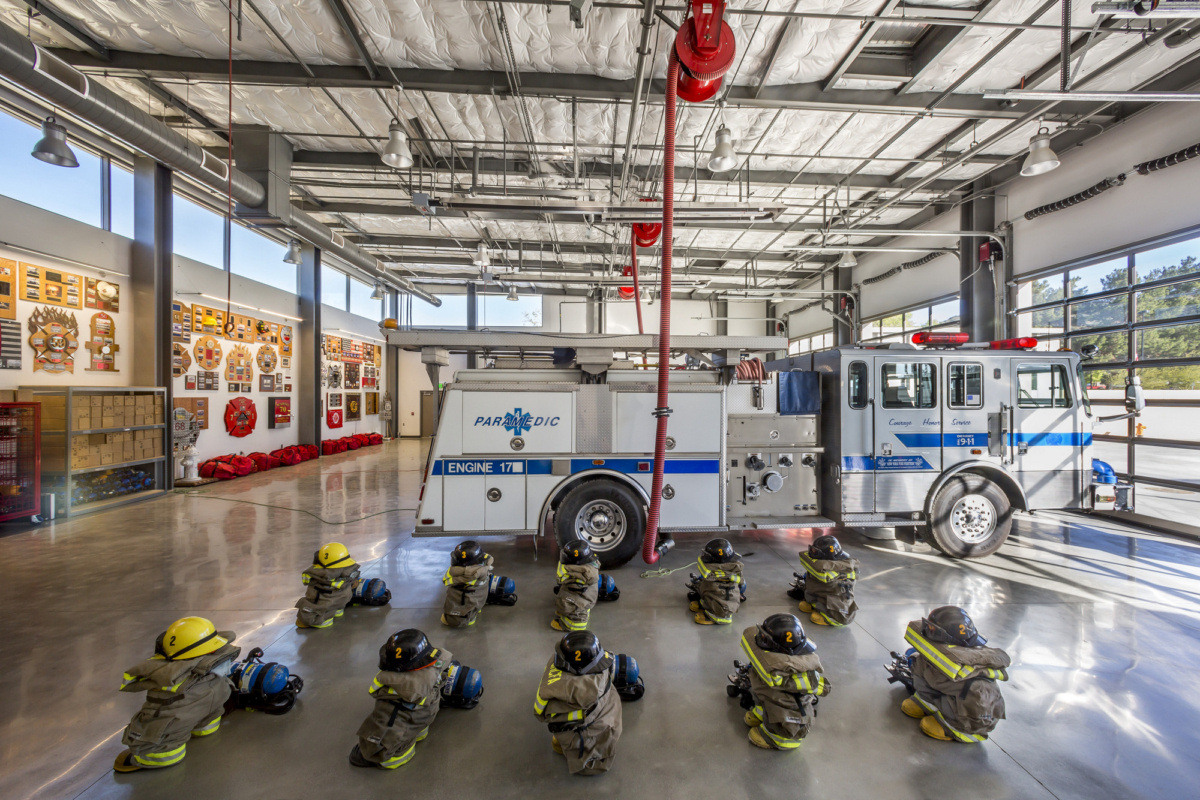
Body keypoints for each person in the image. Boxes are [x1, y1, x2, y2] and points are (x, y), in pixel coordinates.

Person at [114, 616, 241, 772]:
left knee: (161, 718)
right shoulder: (219, 659)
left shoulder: (168, 677)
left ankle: (156, 757)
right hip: (213, 703)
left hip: (175, 728)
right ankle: (204, 729)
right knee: (209, 699)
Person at [900, 606, 1010, 743]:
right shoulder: (942, 656)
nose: (929, 630)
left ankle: (954, 728)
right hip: (946, 694)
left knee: (971, 695)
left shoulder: (978, 681)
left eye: (932, 629)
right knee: (921, 664)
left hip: (970, 717)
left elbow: (982, 705)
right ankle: (926, 703)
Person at [350, 629, 454, 769]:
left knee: (377, 751)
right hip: (424, 715)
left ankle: (400, 754)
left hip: (396, 733)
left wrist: (371, 748)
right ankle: (419, 731)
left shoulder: (402, 689)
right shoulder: (433, 669)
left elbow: (380, 734)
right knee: (414, 713)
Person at [533, 631, 625, 776]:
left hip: (566, 724)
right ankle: (573, 747)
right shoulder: (580, 692)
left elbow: (540, 713)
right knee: (603, 720)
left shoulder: (556, 661)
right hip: (576, 731)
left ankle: (562, 740)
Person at [738, 613, 830, 751]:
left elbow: (818, 685)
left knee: (779, 697)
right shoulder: (775, 666)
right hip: (776, 693)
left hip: (790, 727)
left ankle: (778, 738)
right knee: (764, 686)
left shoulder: (790, 675)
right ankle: (762, 713)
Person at [441, 540, 517, 628]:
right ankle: (476, 609)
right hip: (480, 599)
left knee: (448, 619)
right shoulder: (482, 568)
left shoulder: (463, 574)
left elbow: (446, 580)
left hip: (463, 615)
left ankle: (469, 617)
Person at [787, 534, 858, 627]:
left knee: (818, 615)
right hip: (822, 594)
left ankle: (831, 618)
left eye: (816, 552)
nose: (812, 552)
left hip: (836, 605)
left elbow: (822, 574)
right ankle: (815, 604)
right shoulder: (823, 565)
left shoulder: (840, 570)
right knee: (812, 592)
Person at [552, 539, 618, 631]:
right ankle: (573, 610)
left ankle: (571, 624)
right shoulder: (589, 567)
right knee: (567, 596)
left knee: (566, 599)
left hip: (581, 602)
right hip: (586, 597)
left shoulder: (582, 574)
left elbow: (564, 582)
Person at [295, 542, 359, 629]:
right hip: (344, 599)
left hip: (326, 603)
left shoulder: (320, 575)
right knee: (339, 597)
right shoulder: (348, 570)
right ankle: (338, 611)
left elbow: (306, 581)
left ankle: (323, 620)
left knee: (312, 610)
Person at [687, 537, 745, 625]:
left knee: (716, 595)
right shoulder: (715, 571)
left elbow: (741, 583)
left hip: (723, 608)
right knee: (708, 588)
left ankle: (717, 616)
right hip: (714, 594)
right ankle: (706, 603)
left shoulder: (730, 572)